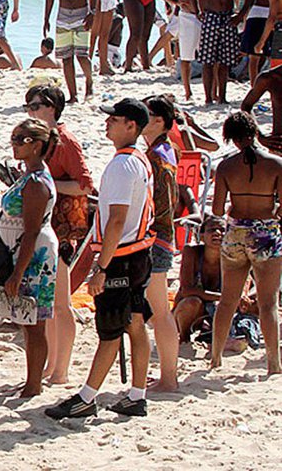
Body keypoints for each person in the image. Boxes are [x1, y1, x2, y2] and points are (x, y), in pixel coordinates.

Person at [46, 98, 154, 419]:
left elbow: (117, 220)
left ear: (130, 126)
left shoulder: (122, 164)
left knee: (110, 328)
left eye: (114, 119)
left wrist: (101, 267)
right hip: (137, 253)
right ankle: (137, 394)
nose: (108, 123)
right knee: (134, 321)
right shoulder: (139, 160)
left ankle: (87, 397)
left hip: (120, 257)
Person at [24, 83, 93, 384]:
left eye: (36, 106)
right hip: (46, 226)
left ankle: (61, 370)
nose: (31, 111)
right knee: (48, 303)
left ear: (51, 107)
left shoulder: (64, 141)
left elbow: (85, 185)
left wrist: (47, 183)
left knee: (62, 304)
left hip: (65, 229)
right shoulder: (45, 140)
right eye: (28, 106)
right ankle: (51, 367)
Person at [209, 111, 282, 375]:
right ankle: (273, 363)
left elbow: (217, 210)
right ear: (254, 132)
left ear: (231, 137)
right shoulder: (275, 164)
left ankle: (215, 357)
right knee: (268, 303)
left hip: (236, 232)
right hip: (265, 233)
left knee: (227, 299)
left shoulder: (226, 167)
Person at [0, 119, 60, 397]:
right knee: (28, 321)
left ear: (36, 145)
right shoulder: (30, 175)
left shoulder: (36, 182)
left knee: (35, 324)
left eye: (20, 139)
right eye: (13, 138)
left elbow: (32, 231)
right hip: (26, 249)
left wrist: (17, 272)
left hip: (34, 254)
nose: (14, 144)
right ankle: (31, 380)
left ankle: (34, 384)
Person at [140, 96, 180, 391]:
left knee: (159, 311)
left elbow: (163, 202)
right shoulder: (165, 149)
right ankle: (168, 375)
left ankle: (169, 378)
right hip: (163, 235)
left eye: (147, 113)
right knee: (158, 310)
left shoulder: (158, 156)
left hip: (156, 236)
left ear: (158, 121)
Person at [193, 0, 254, 105]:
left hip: (228, 17)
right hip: (210, 16)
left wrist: (240, 15)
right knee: (207, 60)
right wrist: (197, 11)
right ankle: (208, 98)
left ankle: (222, 96)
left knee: (225, 61)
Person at [174, 216, 226, 342]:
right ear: (202, 236)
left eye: (222, 230)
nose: (217, 233)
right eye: (212, 230)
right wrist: (222, 297)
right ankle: (184, 337)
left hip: (217, 310)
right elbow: (186, 290)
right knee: (192, 302)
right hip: (190, 312)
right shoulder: (192, 253)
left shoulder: (231, 258)